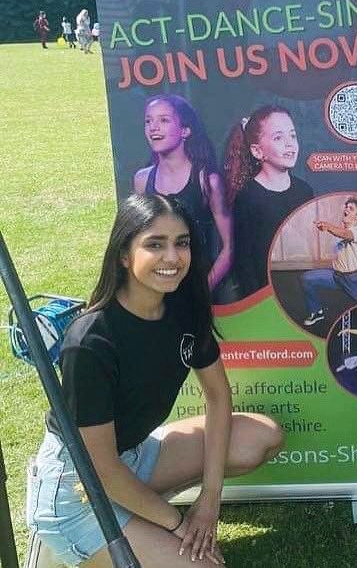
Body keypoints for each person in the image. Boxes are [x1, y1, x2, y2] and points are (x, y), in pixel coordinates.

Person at [26, 194, 283, 567]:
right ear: (123, 255)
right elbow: (100, 468)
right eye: (154, 245)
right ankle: (65, 542)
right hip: (77, 488)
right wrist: (176, 523)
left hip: (132, 456)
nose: (172, 257)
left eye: (181, 243)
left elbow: (218, 398)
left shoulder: (183, 308)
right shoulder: (91, 340)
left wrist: (210, 499)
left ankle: (134, 514)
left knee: (260, 438)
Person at [134, 95, 232, 294]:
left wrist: (204, 289)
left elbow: (229, 248)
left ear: (185, 130)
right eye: (148, 121)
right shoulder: (142, 181)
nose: (153, 127)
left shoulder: (208, 181)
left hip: (199, 285)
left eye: (164, 120)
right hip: (159, 288)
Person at [224, 105, 314, 300]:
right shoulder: (247, 197)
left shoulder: (304, 191)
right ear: (257, 151)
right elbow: (244, 261)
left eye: (293, 136)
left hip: (299, 292)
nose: (290, 144)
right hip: (264, 297)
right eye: (278, 138)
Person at [301, 197, 357, 327]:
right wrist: (327, 226)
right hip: (336, 277)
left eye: (351, 208)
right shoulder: (341, 229)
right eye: (346, 206)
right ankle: (317, 312)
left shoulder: (356, 232)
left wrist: (327, 226)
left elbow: (345, 234)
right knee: (306, 279)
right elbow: (340, 232)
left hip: (353, 280)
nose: (346, 209)